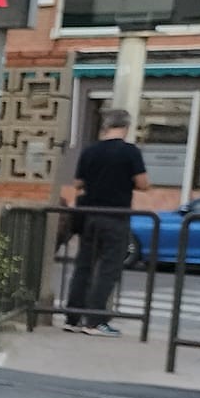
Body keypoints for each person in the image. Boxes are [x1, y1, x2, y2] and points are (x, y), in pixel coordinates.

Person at [63, 109, 149, 336]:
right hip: (115, 216)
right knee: (108, 270)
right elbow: (142, 183)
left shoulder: (90, 151)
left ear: (105, 126)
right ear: (126, 127)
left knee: (84, 266)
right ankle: (95, 321)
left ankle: (72, 318)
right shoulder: (130, 152)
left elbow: (78, 183)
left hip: (90, 215)